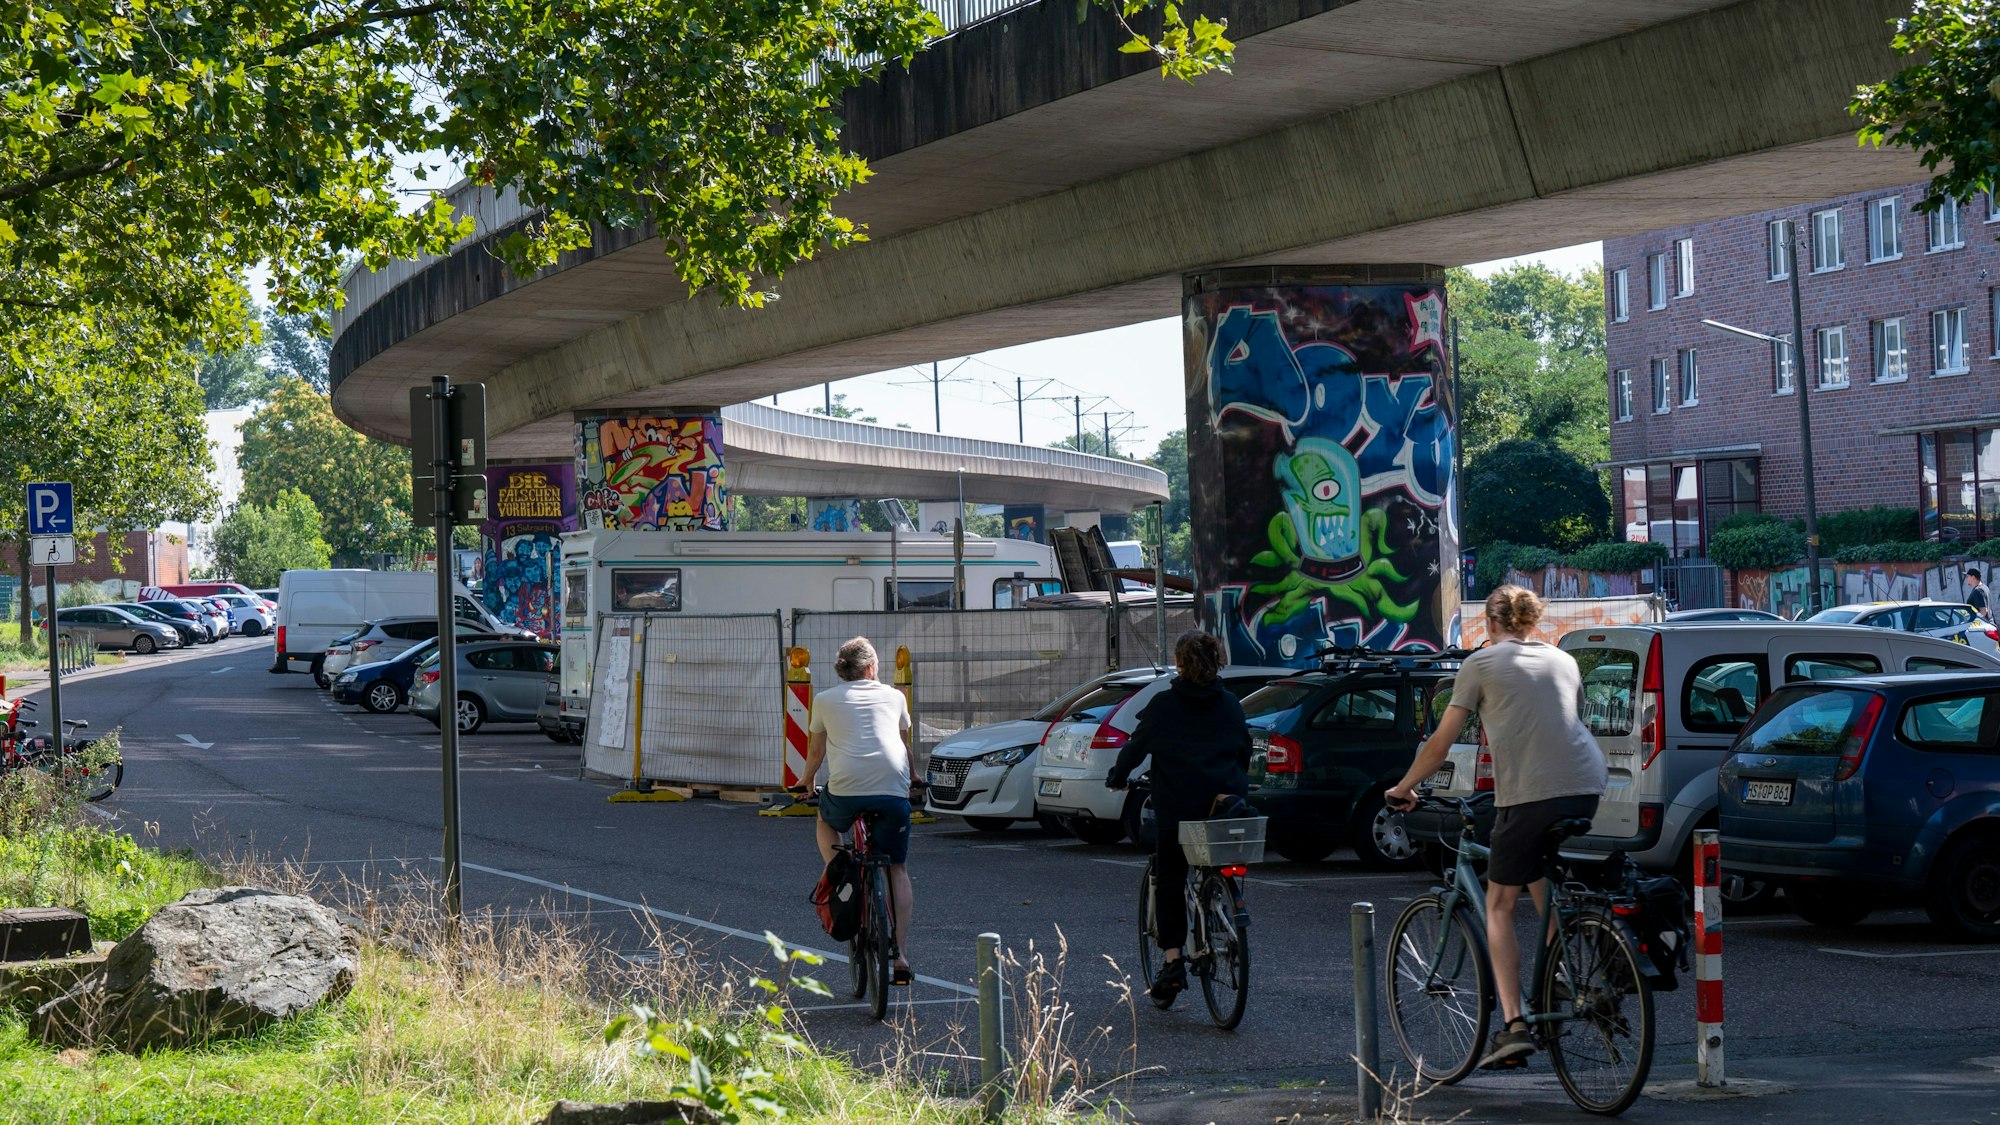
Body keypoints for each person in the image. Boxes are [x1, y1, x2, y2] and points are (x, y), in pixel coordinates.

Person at [1386, 586, 1607, 1068]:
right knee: (1534, 872)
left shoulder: (1480, 664)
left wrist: (1404, 787)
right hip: (1587, 785)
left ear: (1488, 622)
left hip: (1530, 792)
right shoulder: (1562, 659)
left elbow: (1441, 743)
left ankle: (1514, 1027)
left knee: (1498, 904)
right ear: (1533, 620)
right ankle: (1564, 969)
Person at [1106, 630, 1251, 1006]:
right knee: (1218, 863)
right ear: (1216, 661)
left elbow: (1135, 748)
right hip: (1224, 807)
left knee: (1170, 879)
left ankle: (1172, 964)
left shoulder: (1164, 705)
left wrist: (1118, 779)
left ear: (1181, 664)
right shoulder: (1232, 705)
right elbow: (1244, 750)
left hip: (1179, 808)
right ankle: (1224, 911)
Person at [795, 637, 917, 983]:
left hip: (846, 790)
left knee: (824, 818)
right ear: (871, 668)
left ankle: (838, 867)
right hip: (892, 790)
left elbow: (816, 752)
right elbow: (904, 745)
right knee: (898, 869)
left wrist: (806, 782)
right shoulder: (895, 696)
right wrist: (916, 777)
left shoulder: (824, 700)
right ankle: (902, 955)